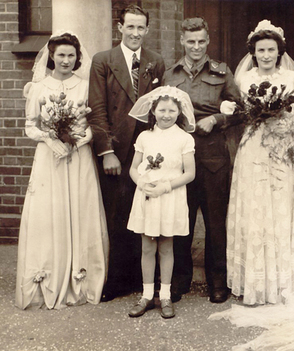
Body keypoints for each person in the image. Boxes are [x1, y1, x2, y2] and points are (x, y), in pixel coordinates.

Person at [210, 20, 294, 351]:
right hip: (254, 150)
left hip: (285, 152)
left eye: (272, 50)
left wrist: (283, 129)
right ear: (253, 52)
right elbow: (239, 116)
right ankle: (256, 285)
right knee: (257, 210)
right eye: (261, 50)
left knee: (282, 211)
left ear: (280, 52)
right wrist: (258, 120)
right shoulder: (244, 79)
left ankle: (283, 283)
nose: (266, 55)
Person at [15, 32, 108, 310]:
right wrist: (49, 139)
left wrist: (79, 140)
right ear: (51, 57)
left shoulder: (85, 86)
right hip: (49, 158)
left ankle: (81, 279)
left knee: (80, 209)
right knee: (49, 212)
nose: (66, 60)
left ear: (78, 58)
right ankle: (48, 277)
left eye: (71, 55)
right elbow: (31, 124)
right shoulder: (39, 88)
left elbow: (96, 122)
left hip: (78, 157)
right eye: (61, 55)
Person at [88, 5, 165, 301]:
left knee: (146, 212)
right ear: (120, 27)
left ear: (147, 30)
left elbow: (158, 107)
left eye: (140, 28)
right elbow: (96, 108)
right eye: (129, 27)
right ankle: (117, 280)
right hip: (116, 150)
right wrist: (106, 150)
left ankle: (143, 279)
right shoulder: (103, 61)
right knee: (117, 215)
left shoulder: (155, 62)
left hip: (145, 152)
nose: (135, 33)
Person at [162, 17, 241, 303]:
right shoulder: (170, 74)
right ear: (182, 41)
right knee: (180, 219)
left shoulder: (222, 72)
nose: (196, 47)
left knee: (215, 223)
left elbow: (241, 110)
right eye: (190, 41)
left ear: (208, 42)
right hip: (179, 158)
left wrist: (217, 119)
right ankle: (180, 280)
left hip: (212, 158)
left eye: (201, 41)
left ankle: (217, 282)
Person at [126, 86, 196, 319]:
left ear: (179, 112)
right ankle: (147, 295)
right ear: (153, 111)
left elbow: (190, 173)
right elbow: (134, 168)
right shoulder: (145, 137)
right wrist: (141, 183)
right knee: (147, 247)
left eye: (172, 110)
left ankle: (165, 294)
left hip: (170, 196)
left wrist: (166, 186)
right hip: (147, 196)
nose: (167, 115)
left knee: (166, 247)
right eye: (162, 110)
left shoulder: (184, 138)